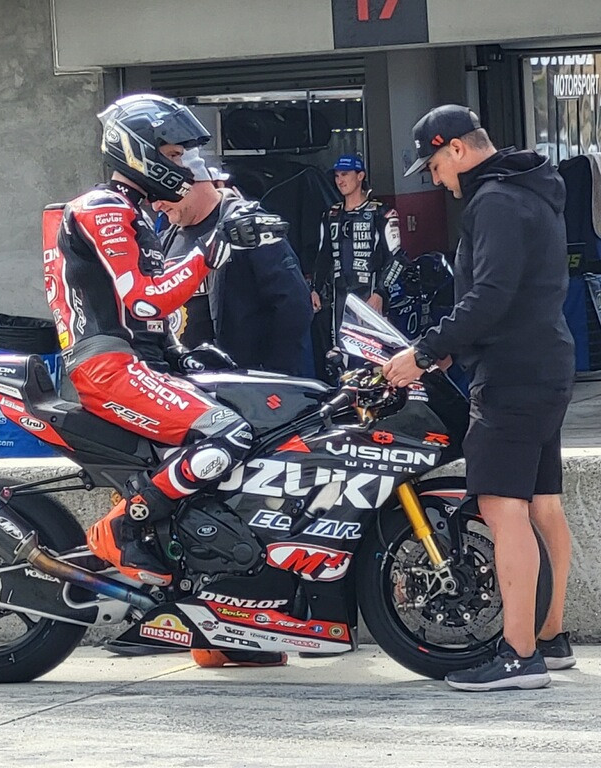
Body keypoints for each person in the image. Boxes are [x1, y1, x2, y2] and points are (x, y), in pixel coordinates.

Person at [46, 94, 286, 669]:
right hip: (106, 365)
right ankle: (124, 533)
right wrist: (214, 248)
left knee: (251, 436)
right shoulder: (103, 207)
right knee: (226, 434)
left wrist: (186, 354)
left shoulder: (140, 213)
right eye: (175, 152)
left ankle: (218, 626)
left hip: (139, 361)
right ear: (141, 152)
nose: (184, 165)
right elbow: (144, 301)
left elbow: (153, 321)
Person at [383, 105, 576, 691]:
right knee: (542, 502)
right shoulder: (532, 188)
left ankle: (519, 656)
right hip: (545, 360)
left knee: (501, 507)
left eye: (436, 166)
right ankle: (551, 635)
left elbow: (489, 295)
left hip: (511, 374)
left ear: (458, 150)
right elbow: (507, 294)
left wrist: (423, 350)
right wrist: (450, 348)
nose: (437, 180)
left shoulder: (492, 201)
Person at [159, 150, 314, 376]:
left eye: (161, 191)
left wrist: (270, 379)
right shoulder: (166, 238)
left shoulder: (246, 225)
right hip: (186, 391)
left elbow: (294, 306)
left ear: (191, 178)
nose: (156, 204)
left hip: (243, 391)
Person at [311, 154, 407, 349]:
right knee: (339, 353)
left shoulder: (382, 213)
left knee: (373, 354)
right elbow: (323, 256)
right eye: (337, 176)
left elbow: (398, 258)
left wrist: (381, 293)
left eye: (345, 174)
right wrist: (315, 288)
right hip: (339, 298)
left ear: (360, 176)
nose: (340, 180)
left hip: (370, 298)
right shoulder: (331, 214)